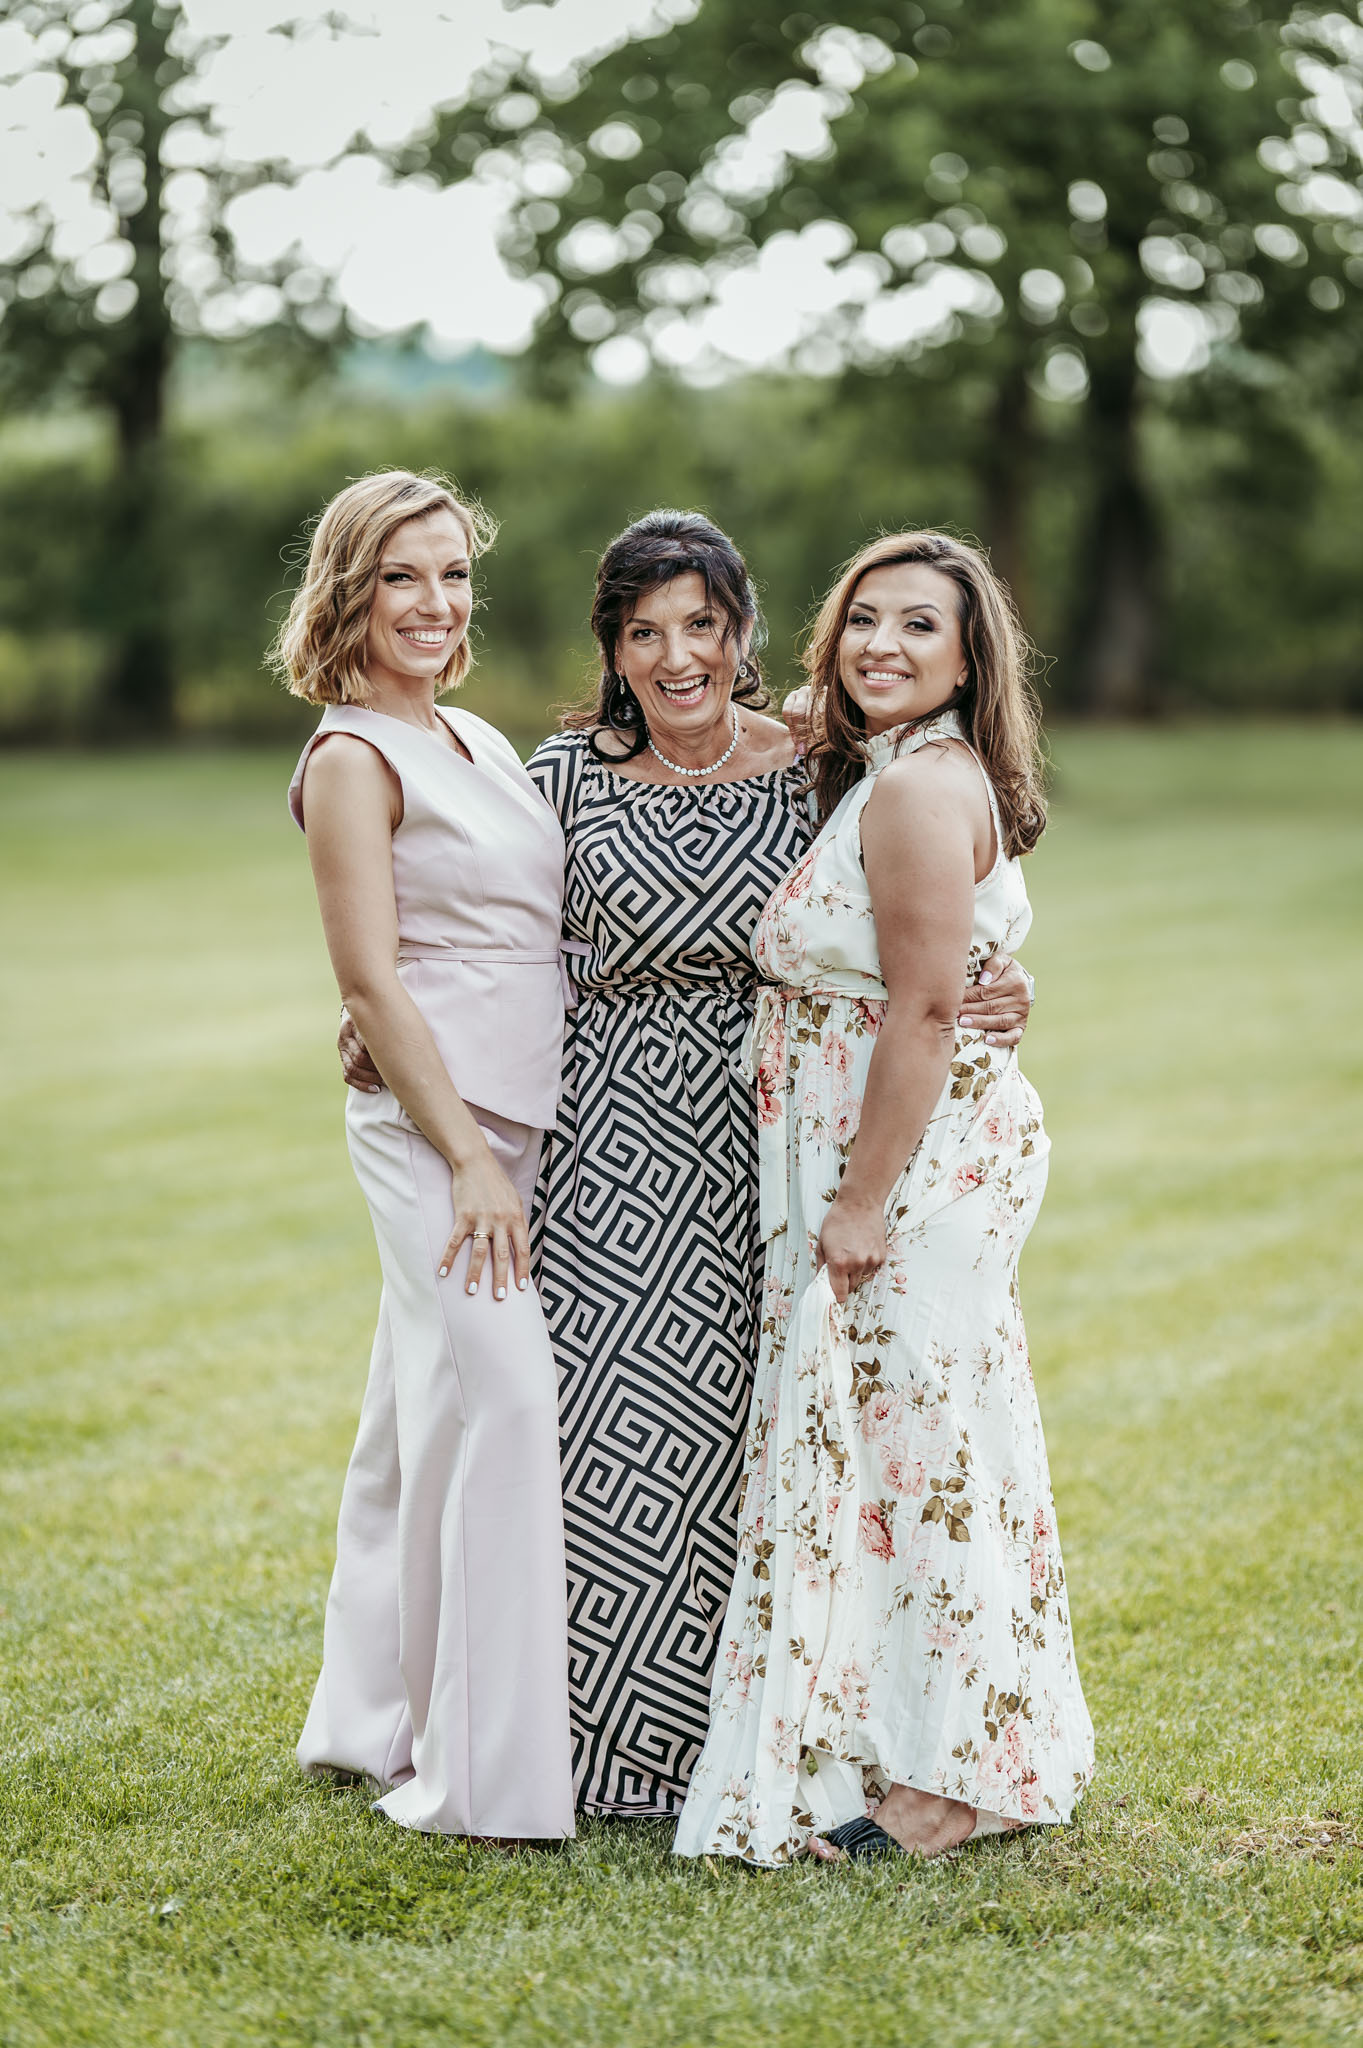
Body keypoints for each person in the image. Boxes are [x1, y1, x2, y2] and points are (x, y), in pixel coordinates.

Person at [341, 510, 1035, 1821]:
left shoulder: (821, 763)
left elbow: (924, 906)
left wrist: (1008, 980)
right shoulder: (555, 776)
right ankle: (589, 1749)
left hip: (775, 1138)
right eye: (645, 632)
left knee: (761, 1431)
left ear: (743, 632)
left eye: (702, 626)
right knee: (601, 1427)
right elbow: (463, 910)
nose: (677, 658)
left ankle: (759, 1735)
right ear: (611, 647)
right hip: (605, 1139)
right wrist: (373, 1013)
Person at [674, 531, 1094, 1868]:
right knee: (927, 1449)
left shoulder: (915, 790)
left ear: (972, 658)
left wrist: (861, 1203)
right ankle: (943, 1739)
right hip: (908, 1144)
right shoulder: (900, 762)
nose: (882, 645)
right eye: (863, 619)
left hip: (905, 1169)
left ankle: (948, 1784)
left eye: (920, 625)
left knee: (923, 1460)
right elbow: (775, 709)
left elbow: (920, 1011)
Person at [277, 469, 574, 1840]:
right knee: (504, 1401)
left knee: (416, 1413)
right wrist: (465, 1157)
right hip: (438, 1131)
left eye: (453, 573)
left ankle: (365, 1720)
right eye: (403, 575)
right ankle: (480, 1770)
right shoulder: (352, 759)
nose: (435, 602)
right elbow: (371, 982)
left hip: (525, 1110)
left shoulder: (473, 735)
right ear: (350, 590)